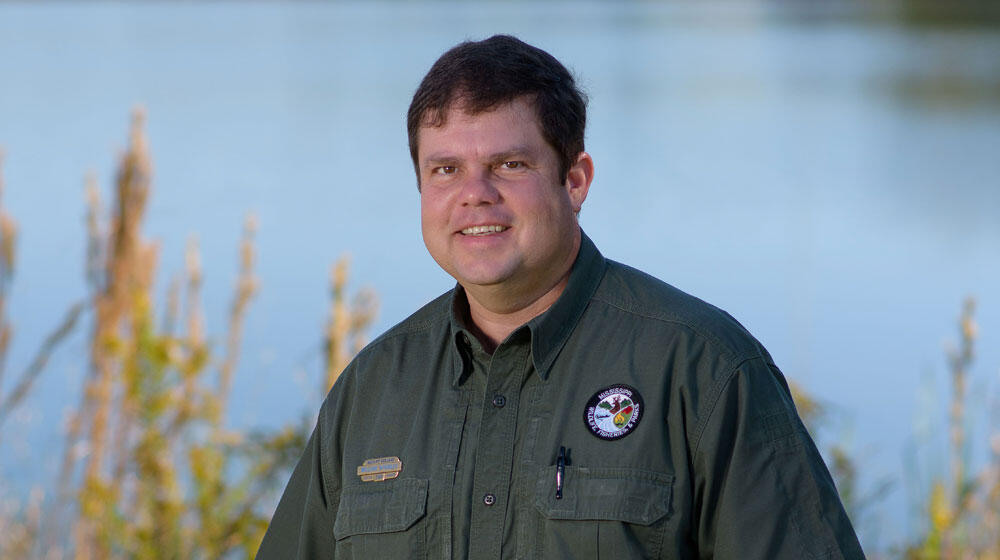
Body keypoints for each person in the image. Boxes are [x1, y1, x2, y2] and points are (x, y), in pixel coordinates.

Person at [257, 34, 865, 559]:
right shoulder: (371, 390)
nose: (475, 194)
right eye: (446, 169)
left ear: (575, 181)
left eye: (510, 165)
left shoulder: (703, 368)